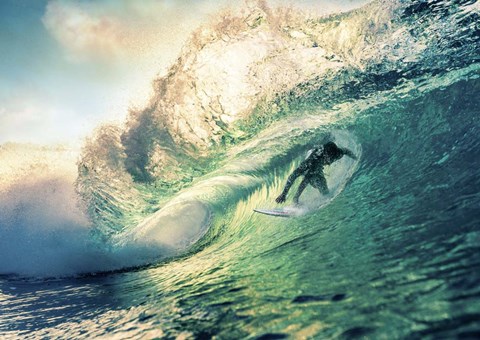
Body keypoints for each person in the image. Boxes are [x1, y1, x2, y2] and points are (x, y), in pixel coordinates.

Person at [275, 141, 357, 205]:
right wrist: (284, 194)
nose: (329, 159)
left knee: (324, 191)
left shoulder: (338, 153)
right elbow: (293, 175)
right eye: (328, 156)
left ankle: (298, 197)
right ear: (324, 154)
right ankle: (295, 199)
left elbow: (346, 151)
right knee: (311, 176)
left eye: (331, 156)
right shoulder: (313, 159)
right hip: (311, 156)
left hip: (318, 163)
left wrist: (356, 159)